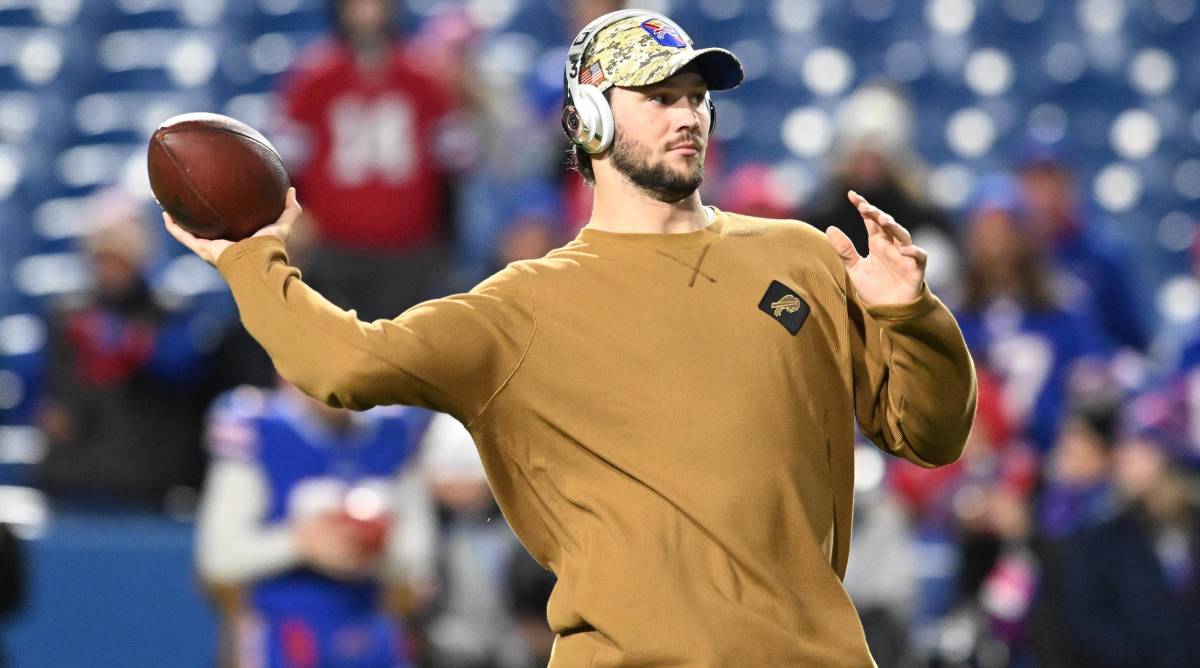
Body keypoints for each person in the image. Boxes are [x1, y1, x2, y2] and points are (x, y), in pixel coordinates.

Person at [166, 10, 977, 665]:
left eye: (697, 95)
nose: (689, 113)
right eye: (659, 97)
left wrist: (912, 316)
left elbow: (931, 435)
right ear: (588, 119)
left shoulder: (800, 253)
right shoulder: (522, 309)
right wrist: (251, 260)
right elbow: (342, 362)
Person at [194, 381, 436, 668]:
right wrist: (301, 544)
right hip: (283, 632)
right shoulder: (258, 428)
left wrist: (370, 552)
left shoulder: (394, 431)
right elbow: (218, 559)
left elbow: (420, 561)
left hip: (373, 629)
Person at [272, 0, 459, 321]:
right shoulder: (314, 79)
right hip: (334, 251)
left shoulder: (424, 79)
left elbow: (454, 165)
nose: (367, 14)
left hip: (412, 252)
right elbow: (284, 166)